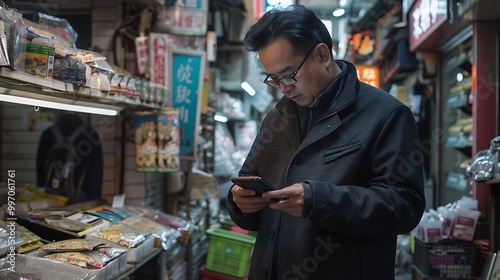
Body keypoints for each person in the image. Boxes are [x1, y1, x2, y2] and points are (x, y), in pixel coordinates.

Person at [226, 5, 426, 280]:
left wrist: (320, 201)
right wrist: (240, 203)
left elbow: (405, 205)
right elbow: (249, 182)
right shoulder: (278, 118)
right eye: (275, 79)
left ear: (322, 55)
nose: (284, 88)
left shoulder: (386, 114)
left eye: (289, 75)